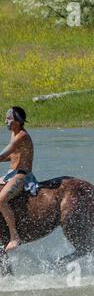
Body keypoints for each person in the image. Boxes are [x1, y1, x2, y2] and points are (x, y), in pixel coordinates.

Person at [0, 107, 39, 252]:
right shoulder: (14, 134)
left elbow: (4, 153)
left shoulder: (21, 136)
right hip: (11, 174)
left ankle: (14, 237)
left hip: (22, 175)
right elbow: (11, 156)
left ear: (18, 121)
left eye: (9, 119)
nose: (6, 121)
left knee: (1, 200)